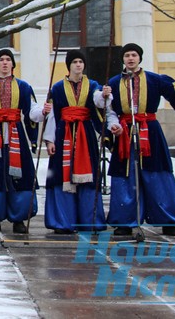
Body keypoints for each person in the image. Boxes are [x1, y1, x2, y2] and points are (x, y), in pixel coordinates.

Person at [104, 43, 175, 237]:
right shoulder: (113, 83)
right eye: (127, 55)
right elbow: (109, 110)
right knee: (125, 176)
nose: (130, 58)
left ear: (140, 58)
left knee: (158, 175)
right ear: (123, 59)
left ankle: (168, 221)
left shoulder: (155, 80)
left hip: (150, 131)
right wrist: (113, 125)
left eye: (134, 55)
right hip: (125, 132)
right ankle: (124, 222)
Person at [0, 49, 48, 234]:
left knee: (19, 176)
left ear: (13, 64)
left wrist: (43, 112)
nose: (5, 63)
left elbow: (31, 111)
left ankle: (19, 218)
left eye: (8, 60)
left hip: (16, 135)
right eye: (1, 60)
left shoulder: (23, 87)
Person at [42, 50, 116, 234]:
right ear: (69, 65)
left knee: (89, 177)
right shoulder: (58, 88)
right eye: (74, 61)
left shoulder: (92, 85)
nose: (78, 65)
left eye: (81, 61)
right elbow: (52, 115)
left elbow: (99, 101)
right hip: (63, 134)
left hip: (85, 134)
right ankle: (63, 221)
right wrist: (49, 140)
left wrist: (105, 95)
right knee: (61, 176)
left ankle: (89, 221)